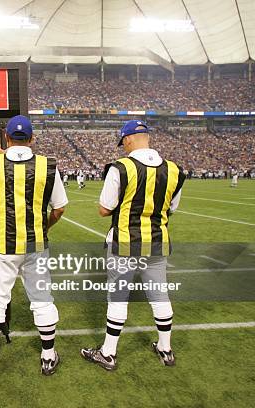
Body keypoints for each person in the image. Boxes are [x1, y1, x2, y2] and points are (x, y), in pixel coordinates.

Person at [81, 120, 185, 370]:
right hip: (158, 242)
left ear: (127, 139)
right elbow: (172, 208)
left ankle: (108, 353)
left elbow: (104, 209)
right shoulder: (174, 170)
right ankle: (165, 348)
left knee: (118, 297)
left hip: (126, 242)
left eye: (123, 142)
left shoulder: (121, 167)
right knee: (160, 295)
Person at [0, 115, 68, 378]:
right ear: (32, 138)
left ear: (6, 138)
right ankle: (48, 356)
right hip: (36, 242)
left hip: (2, 244)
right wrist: (44, 226)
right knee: (42, 300)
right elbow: (59, 208)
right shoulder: (48, 166)